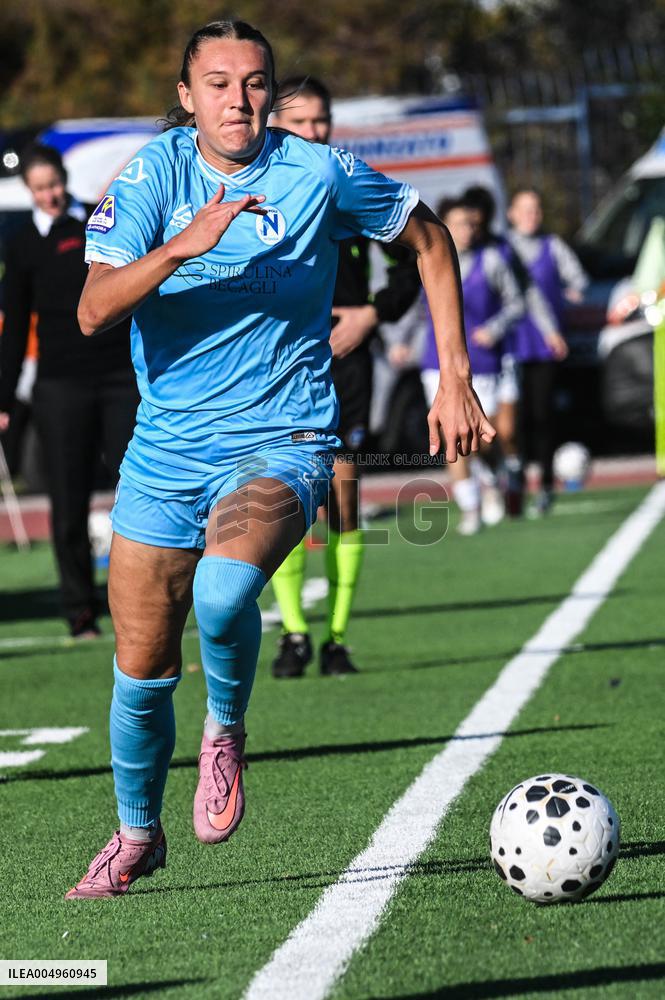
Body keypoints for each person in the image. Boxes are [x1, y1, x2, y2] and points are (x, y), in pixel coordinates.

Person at [63, 19, 494, 899]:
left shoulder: (317, 172)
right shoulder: (151, 178)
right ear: (187, 98)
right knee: (140, 665)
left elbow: (430, 240)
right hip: (165, 449)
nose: (239, 99)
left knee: (222, 595)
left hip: (283, 436)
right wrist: (181, 245)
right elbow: (91, 309)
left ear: (272, 91)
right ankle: (137, 835)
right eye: (217, 83)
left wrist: (455, 378)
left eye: (255, 82)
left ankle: (225, 731)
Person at [269, 76, 421, 677]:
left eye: (321, 121)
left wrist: (372, 313)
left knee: (345, 491)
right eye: (301, 123)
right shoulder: (264, 189)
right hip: (282, 364)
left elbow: (414, 257)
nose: (314, 133)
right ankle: (294, 634)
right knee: (281, 501)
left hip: (347, 363)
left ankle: (335, 636)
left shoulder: (348, 185)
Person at [0, 144, 138, 637]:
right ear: (29, 192)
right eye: (39, 189)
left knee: (142, 488)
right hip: (60, 385)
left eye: (54, 185)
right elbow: (15, 326)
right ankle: (80, 609)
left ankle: (150, 598)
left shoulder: (97, 223)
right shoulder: (21, 246)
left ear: (65, 180)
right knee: (68, 498)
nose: (50, 196)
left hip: (121, 376)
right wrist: (4, 400)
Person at [421, 198, 523, 535]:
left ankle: (491, 478)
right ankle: (469, 507)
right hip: (436, 363)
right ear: (443, 227)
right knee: (452, 436)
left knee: (487, 436)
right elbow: (413, 307)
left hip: (482, 363)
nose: (466, 230)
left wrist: (493, 330)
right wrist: (399, 343)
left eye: (470, 223)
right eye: (459, 223)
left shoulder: (491, 260)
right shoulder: (425, 258)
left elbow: (515, 303)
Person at [506, 187, 588, 514]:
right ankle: (512, 483)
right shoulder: (504, 249)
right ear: (511, 213)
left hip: (544, 345)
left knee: (541, 417)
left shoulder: (552, 246)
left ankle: (545, 485)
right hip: (508, 345)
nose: (532, 215)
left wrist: (572, 294)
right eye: (525, 209)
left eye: (537, 209)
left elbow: (579, 280)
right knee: (512, 422)